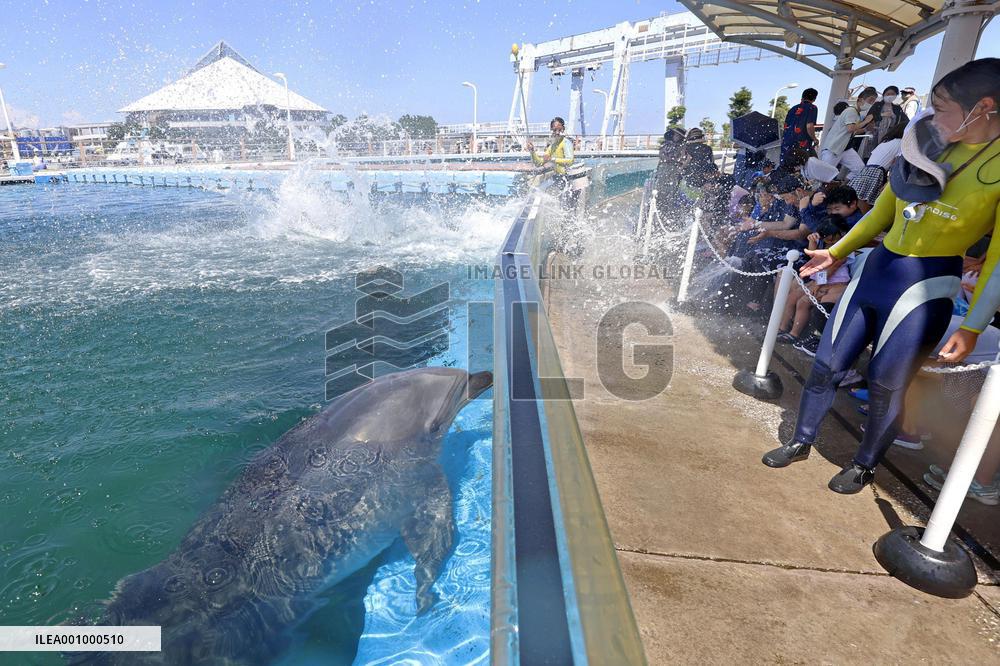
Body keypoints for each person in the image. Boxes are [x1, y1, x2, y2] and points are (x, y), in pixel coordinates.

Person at [762, 58, 1000, 494]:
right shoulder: (928, 143)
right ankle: (801, 440)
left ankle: (865, 463)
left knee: (888, 383)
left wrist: (971, 327)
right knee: (826, 365)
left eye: (944, 107)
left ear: (983, 107)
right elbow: (883, 212)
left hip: (927, 285)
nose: (934, 116)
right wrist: (834, 252)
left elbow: (999, 262)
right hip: (878, 270)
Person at [848, 118, 906, 211]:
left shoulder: (885, 142)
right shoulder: (901, 143)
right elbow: (896, 164)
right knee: (865, 204)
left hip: (866, 170)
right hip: (876, 173)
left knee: (857, 201)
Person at [820, 87, 878, 178]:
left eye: (873, 102)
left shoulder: (856, 113)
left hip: (844, 148)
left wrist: (866, 129)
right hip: (833, 149)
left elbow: (852, 132)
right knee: (823, 176)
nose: (871, 104)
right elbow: (850, 128)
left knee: (860, 170)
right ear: (860, 100)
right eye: (870, 100)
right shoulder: (851, 111)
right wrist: (866, 121)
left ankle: (844, 188)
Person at [857, 86, 905, 159]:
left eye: (893, 94)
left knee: (883, 156)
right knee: (869, 154)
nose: (890, 96)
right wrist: (882, 115)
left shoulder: (897, 108)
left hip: (888, 135)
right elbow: (869, 118)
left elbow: (903, 121)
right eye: (888, 94)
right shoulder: (877, 105)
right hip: (874, 134)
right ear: (884, 94)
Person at [781, 88, 819, 165]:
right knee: (807, 166)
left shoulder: (792, 108)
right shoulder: (812, 108)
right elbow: (809, 126)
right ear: (814, 99)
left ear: (802, 97)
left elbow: (786, 126)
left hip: (787, 143)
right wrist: (815, 139)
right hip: (802, 144)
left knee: (787, 166)